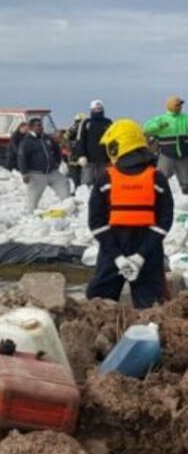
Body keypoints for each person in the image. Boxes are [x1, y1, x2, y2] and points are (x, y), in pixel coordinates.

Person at [86, 119, 173, 309]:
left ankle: (105, 337)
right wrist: (140, 256)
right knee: (152, 308)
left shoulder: (105, 179)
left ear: (116, 146)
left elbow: (96, 222)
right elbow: (164, 221)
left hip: (112, 246)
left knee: (99, 305)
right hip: (149, 249)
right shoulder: (157, 178)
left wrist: (118, 258)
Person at [18, 117, 71, 211]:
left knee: (64, 184)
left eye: (41, 125)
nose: (41, 127)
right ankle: (30, 215)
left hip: (52, 172)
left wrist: (57, 163)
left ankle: (68, 207)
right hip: (36, 174)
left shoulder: (47, 138)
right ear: (31, 128)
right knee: (32, 200)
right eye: (38, 126)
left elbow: (57, 150)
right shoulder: (26, 142)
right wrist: (24, 173)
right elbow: (22, 158)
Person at [144, 95, 188, 195]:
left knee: (186, 181)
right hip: (167, 154)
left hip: (184, 154)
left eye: (181, 105)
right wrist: (159, 126)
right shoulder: (161, 119)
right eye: (177, 105)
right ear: (171, 106)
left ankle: (185, 201)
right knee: (160, 178)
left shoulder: (185, 118)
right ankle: (156, 198)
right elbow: (146, 128)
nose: (180, 107)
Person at [75, 100, 113, 187]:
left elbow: (113, 139)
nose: (98, 110)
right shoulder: (86, 123)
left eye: (99, 108)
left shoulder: (108, 122)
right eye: (95, 109)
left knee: (104, 182)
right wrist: (81, 155)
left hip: (104, 159)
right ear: (91, 110)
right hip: (89, 160)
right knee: (87, 182)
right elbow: (80, 139)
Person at [65, 114, 85, 190]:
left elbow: (65, 138)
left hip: (73, 156)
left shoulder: (71, 129)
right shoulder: (82, 129)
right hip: (79, 156)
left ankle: (76, 189)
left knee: (75, 176)